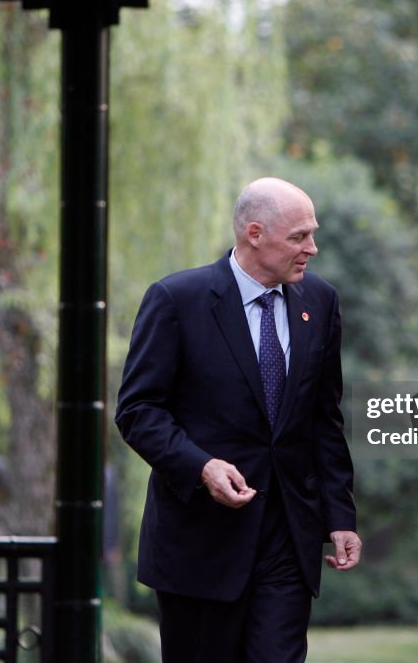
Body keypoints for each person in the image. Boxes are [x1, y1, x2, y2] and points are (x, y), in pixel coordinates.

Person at [115, 177, 361, 663]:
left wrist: (340, 516)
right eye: (299, 237)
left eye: (311, 234)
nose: (312, 248)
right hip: (200, 542)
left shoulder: (320, 301)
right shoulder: (176, 300)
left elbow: (324, 419)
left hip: (288, 538)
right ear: (254, 233)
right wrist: (202, 466)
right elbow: (138, 411)